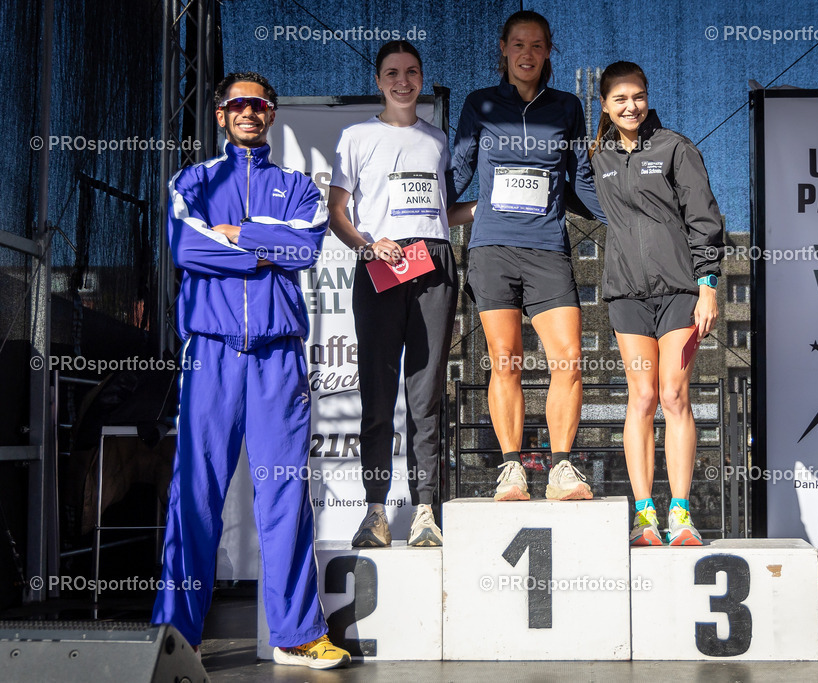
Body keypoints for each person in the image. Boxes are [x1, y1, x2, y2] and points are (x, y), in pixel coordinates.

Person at [154, 72, 349, 669]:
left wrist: (238, 236)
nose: (248, 112)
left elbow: (307, 249)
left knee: (285, 494)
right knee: (195, 496)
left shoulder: (297, 186)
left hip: (276, 357)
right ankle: (175, 636)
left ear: (271, 115)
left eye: (258, 104)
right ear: (220, 114)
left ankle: (295, 634)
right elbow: (186, 247)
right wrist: (262, 243)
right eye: (237, 104)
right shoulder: (191, 180)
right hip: (210, 353)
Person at [450, 10, 607, 502]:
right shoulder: (480, 104)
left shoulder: (565, 107)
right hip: (492, 249)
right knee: (506, 362)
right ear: (503, 48)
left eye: (537, 46)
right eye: (518, 44)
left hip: (548, 251)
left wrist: (624, 218)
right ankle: (512, 469)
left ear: (548, 52)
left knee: (570, 361)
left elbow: (581, 177)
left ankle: (561, 469)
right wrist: (415, 214)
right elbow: (457, 172)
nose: (527, 54)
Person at [328, 42, 473, 547]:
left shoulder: (437, 140)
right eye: (393, 73)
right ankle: (374, 512)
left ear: (421, 77)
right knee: (377, 393)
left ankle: (425, 511)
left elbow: (442, 213)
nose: (403, 81)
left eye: (412, 72)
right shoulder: (356, 136)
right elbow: (337, 214)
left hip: (433, 263)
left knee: (426, 396)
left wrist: (484, 208)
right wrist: (367, 246)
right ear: (378, 80)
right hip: (380, 268)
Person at [589, 62, 724, 546]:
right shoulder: (595, 157)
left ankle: (681, 514)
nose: (631, 106)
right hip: (626, 293)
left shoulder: (675, 148)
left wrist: (708, 284)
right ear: (604, 105)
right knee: (641, 398)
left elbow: (704, 219)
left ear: (648, 99)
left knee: (673, 395)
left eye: (638, 96)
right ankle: (645, 516)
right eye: (620, 99)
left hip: (679, 291)